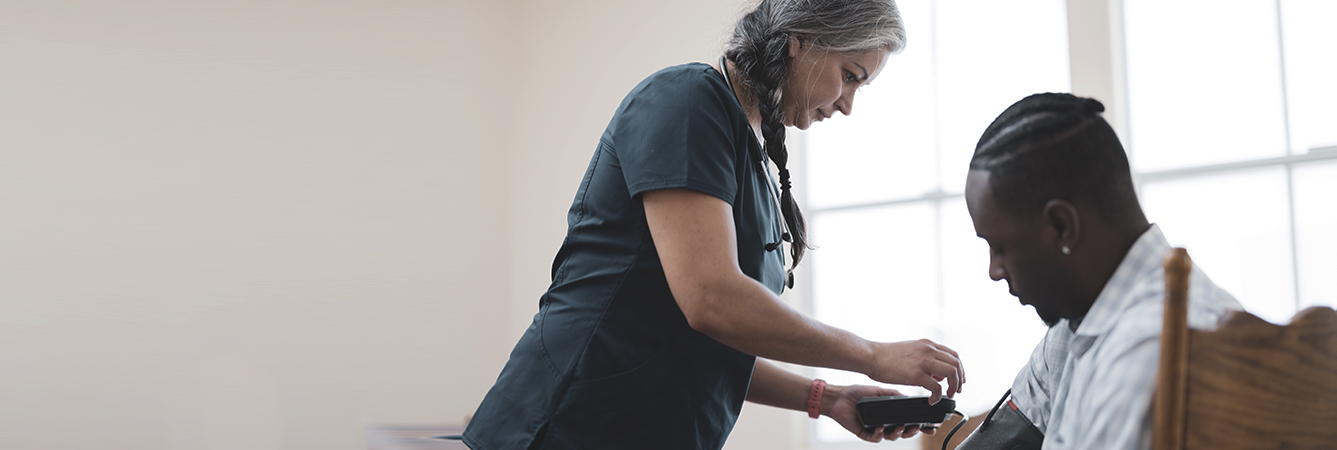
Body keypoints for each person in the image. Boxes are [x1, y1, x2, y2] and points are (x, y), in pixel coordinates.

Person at [463, 1, 968, 449]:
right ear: (803, 41)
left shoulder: (752, 160)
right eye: (852, 75)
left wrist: (827, 398)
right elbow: (711, 300)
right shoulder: (686, 100)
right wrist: (872, 355)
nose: (847, 104)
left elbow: (707, 344)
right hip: (570, 424)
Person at [960, 93, 1246, 450]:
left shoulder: (1145, 353)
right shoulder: (1074, 329)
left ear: (1062, 226)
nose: (994, 270)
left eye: (999, 247)